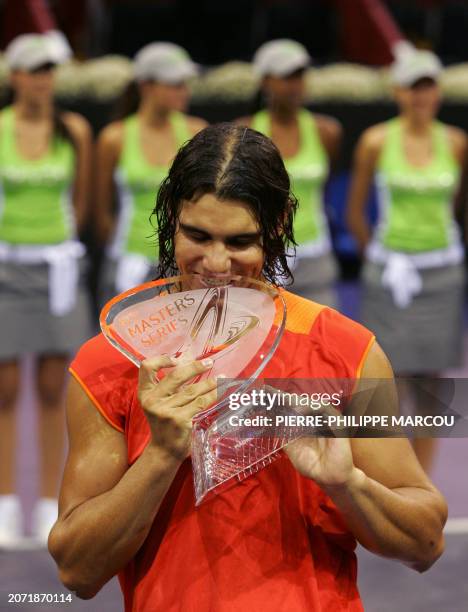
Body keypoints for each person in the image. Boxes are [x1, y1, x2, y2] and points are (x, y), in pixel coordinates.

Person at [49, 124, 447, 611]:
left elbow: (425, 543)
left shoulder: (346, 351)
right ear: (171, 216)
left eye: (240, 241)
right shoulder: (108, 363)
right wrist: (161, 456)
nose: (216, 263)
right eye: (197, 235)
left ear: (278, 225)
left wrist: (349, 485)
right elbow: (76, 570)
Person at [346, 48, 467, 472]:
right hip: (389, 274)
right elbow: (355, 212)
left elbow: (453, 208)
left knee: (433, 383)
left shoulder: (456, 142)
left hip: (441, 275)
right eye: (414, 86)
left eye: (428, 85)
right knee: (384, 379)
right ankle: (388, 475)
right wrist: (382, 257)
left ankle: (423, 481)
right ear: (399, 92)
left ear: (437, 92)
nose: (422, 95)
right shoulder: (376, 141)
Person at [0, 32, 93, 547]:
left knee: (55, 390)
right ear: (14, 76)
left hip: (56, 273)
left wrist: (60, 249)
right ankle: (9, 504)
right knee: (6, 390)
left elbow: (81, 204)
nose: (43, 80)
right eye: (34, 70)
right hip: (6, 273)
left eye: (48, 70)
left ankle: (54, 504)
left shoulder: (73, 131)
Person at [95, 42, 207, 305]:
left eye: (185, 83)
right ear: (145, 85)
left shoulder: (197, 131)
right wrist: (125, 249)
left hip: (183, 263)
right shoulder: (115, 137)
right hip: (128, 262)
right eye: (175, 83)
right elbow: (101, 214)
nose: (184, 91)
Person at [237, 39, 342, 307]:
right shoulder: (242, 133)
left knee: (322, 341)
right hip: (260, 257)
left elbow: (324, 188)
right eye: (286, 77)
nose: (295, 85)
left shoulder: (326, 132)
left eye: (299, 76)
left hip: (315, 255)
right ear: (265, 81)